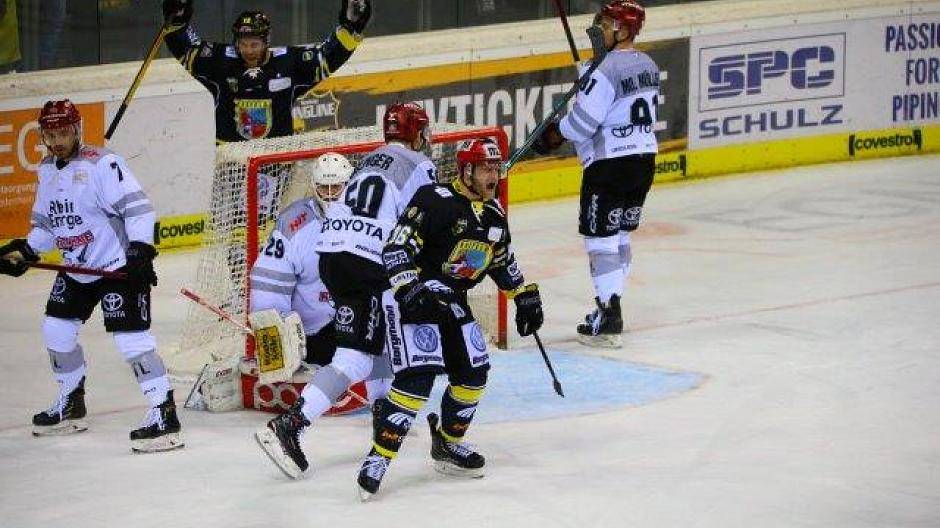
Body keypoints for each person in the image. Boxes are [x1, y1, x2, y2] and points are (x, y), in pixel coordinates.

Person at [254, 102, 437, 479]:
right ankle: (290, 425)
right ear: (416, 133)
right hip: (370, 261)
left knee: (377, 338)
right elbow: (428, 220)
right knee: (357, 356)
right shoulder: (418, 165)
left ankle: (381, 412)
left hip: (333, 258)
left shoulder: (369, 161)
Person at [354, 137, 544, 500]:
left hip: (451, 300)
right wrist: (408, 288)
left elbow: (502, 262)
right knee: (417, 380)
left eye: (496, 168)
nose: (493, 176)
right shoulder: (432, 199)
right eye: (486, 169)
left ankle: (447, 443)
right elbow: (396, 246)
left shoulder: (494, 215)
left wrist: (523, 295)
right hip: (413, 298)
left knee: (474, 374)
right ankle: (378, 458)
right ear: (467, 170)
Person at [0, 100, 183, 453]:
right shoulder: (46, 170)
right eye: (50, 134)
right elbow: (46, 226)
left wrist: (140, 251)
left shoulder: (104, 163)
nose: (57, 141)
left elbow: (138, 208)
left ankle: (164, 415)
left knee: (131, 341)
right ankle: (71, 402)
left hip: (117, 266)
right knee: (56, 329)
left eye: (63, 133)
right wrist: (26, 251)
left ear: (77, 130)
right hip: (76, 268)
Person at [534, 0, 657, 348]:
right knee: (620, 235)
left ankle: (609, 316)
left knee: (600, 241)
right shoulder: (647, 64)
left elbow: (582, 125)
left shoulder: (602, 70)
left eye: (604, 25)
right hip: (643, 160)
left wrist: (556, 131)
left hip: (609, 165)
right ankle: (610, 306)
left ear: (622, 30)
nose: (598, 30)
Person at [161, 0, 371, 142]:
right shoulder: (220, 63)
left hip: (275, 159)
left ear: (266, 42)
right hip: (232, 162)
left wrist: (351, 26)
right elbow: (186, 47)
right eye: (243, 44)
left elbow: (327, 57)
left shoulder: (288, 63)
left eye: (255, 44)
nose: (248, 50)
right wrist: (177, 17)